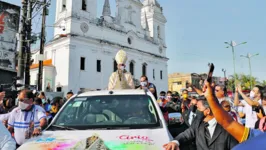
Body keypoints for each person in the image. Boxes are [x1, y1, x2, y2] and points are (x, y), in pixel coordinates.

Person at [163, 99, 238, 150]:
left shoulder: (226, 127)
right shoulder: (197, 123)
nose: (196, 111)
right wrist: (175, 142)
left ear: (207, 111)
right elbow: (186, 134)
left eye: (198, 108)